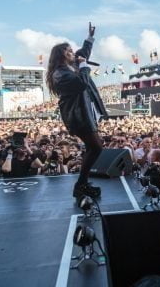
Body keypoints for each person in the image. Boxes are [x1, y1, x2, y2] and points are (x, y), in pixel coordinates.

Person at [46, 23, 108, 199]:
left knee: (93, 147)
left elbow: (83, 54)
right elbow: (82, 83)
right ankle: (80, 184)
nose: (72, 53)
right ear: (60, 55)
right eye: (68, 51)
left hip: (82, 113)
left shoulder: (70, 65)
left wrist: (90, 38)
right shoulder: (60, 74)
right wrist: (84, 67)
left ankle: (83, 183)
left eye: (71, 50)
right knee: (96, 147)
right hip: (77, 116)